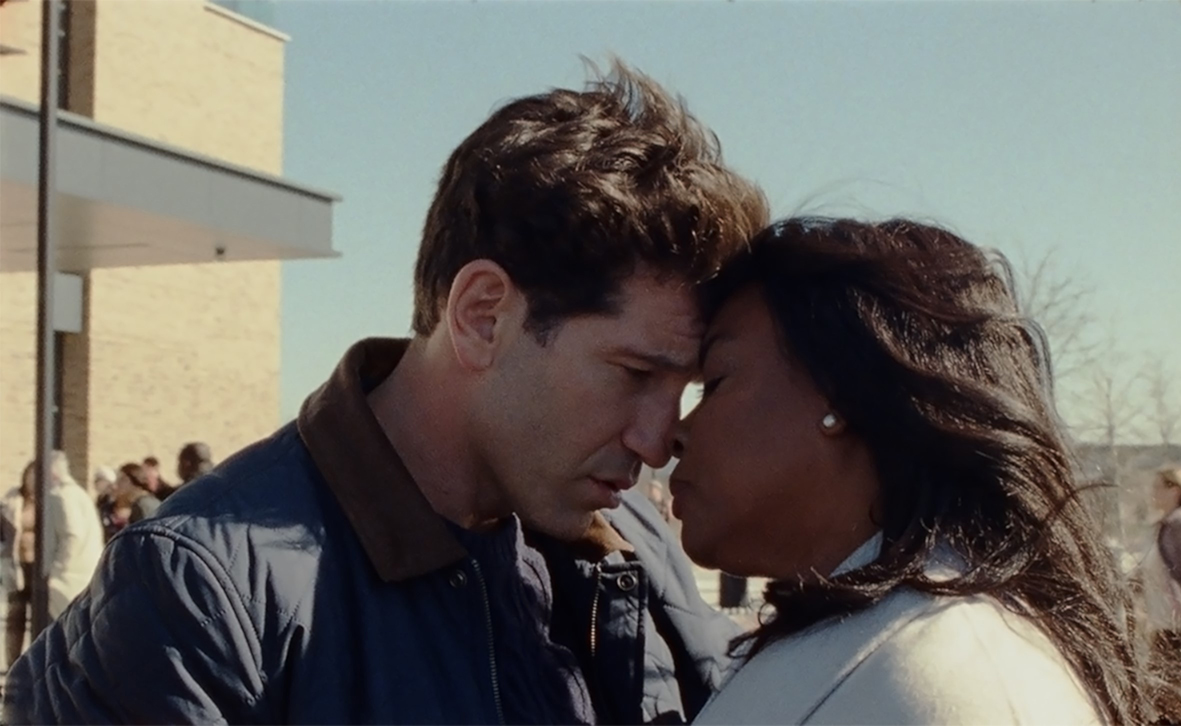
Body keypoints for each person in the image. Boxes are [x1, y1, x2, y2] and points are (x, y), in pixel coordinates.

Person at [6, 61, 768, 723]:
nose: (659, 437)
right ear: (483, 317)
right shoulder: (203, 593)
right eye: (636, 375)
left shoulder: (632, 544)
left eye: (684, 387)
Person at [668, 217, 1172, 724]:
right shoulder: (877, 644)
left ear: (843, 396)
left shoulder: (948, 686)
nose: (673, 434)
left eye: (715, 383)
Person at [1143, 465, 1181, 714]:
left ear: (1175, 490)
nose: (1152, 493)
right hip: (1166, 630)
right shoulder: (1167, 525)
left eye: (1158, 487)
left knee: (1174, 707)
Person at [41, 451, 104, 620]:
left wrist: (57, 570)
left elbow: (72, 535)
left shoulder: (61, 496)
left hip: (68, 579)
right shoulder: (79, 494)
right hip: (85, 574)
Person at [1, 463, 37, 668]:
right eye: (29, 476)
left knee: (40, 614)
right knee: (15, 614)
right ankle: (12, 662)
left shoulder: (48, 500)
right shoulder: (13, 499)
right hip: (16, 564)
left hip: (39, 566)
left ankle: (35, 661)